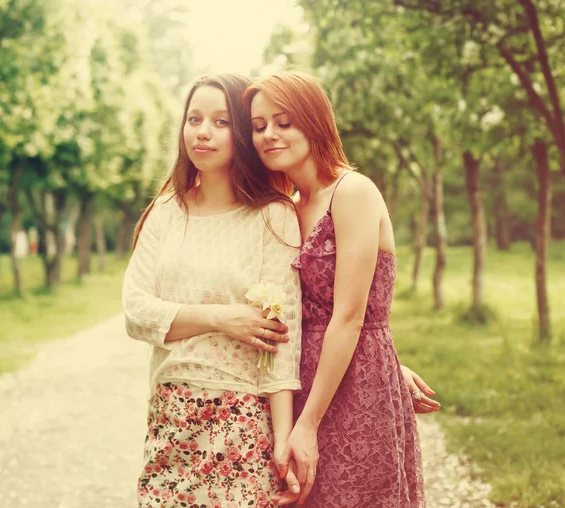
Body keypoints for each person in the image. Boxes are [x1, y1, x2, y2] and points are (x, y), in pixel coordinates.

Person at [244, 70, 438, 507]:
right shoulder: (287, 208)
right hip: (299, 378)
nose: (269, 135)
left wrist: (309, 423)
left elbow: (352, 316)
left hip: (354, 385)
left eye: (283, 121)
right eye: (259, 127)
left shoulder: (353, 192)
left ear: (314, 122)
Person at [123, 74, 303, 508]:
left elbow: (284, 340)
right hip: (172, 411)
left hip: (241, 416)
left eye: (220, 121)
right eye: (194, 119)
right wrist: (223, 317)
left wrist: (283, 442)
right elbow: (135, 312)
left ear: (242, 132)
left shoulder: (273, 217)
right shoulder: (166, 212)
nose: (202, 132)